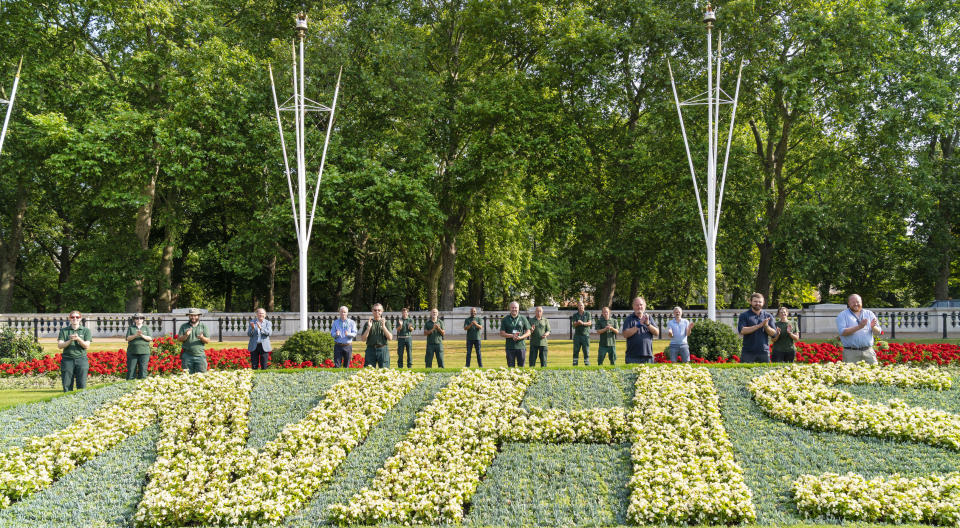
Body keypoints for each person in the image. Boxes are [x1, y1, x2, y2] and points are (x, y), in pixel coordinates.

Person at [836, 294, 882, 364]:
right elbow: (842, 332)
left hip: (868, 352)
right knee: (850, 374)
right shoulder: (842, 315)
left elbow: (878, 332)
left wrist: (873, 327)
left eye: (858, 302)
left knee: (873, 373)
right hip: (851, 353)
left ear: (861, 302)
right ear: (849, 303)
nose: (856, 304)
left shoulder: (869, 314)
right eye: (853, 302)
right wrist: (859, 327)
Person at [737, 293, 777, 363]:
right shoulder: (744, 315)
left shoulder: (768, 315)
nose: (757, 303)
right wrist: (758, 326)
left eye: (760, 302)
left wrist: (766, 326)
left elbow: (774, 334)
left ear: (763, 303)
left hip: (764, 351)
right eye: (755, 301)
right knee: (745, 373)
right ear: (750, 302)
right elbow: (742, 330)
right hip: (748, 352)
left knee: (765, 373)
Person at [58, 310, 91, 391]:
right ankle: (67, 402)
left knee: (82, 384)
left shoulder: (86, 330)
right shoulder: (64, 331)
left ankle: (81, 402)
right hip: (67, 359)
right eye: (72, 317)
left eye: (77, 317)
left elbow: (86, 346)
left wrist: (78, 339)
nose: (75, 319)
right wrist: (70, 340)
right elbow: (60, 345)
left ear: (80, 318)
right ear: (69, 318)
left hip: (81, 359)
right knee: (67, 385)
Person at [621, 297, 659, 364]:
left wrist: (648, 324)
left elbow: (657, 333)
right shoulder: (629, 319)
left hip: (648, 356)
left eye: (641, 305)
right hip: (632, 357)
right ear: (633, 306)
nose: (639, 307)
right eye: (637, 305)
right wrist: (639, 324)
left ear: (644, 306)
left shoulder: (649, 318)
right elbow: (625, 334)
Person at [177, 308, 210, 374]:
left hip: (200, 355)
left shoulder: (203, 326)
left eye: (195, 315)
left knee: (202, 376)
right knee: (187, 376)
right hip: (187, 355)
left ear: (198, 316)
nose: (193, 317)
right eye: (191, 315)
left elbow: (207, 341)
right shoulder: (184, 326)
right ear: (189, 316)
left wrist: (202, 337)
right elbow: (179, 339)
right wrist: (186, 335)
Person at [499, 301, 530, 367]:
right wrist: (512, 336)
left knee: (521, 367)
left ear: (518, 308)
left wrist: (520, 337)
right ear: (510, 308)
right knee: (511, 368)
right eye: (512, 307)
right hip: (510, 347)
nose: (514, 309)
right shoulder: (505, 319)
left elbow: (528, 332)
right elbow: (502, 333)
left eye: (515, 307)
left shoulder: (523, 318)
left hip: (521, 346)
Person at [362, 303, 393, 368]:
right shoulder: (368, 323)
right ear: (372, 311)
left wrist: (384, 326)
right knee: (368, 371)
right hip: (370, 349)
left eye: (379, 310)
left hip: (383, 349)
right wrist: (368, 328)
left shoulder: (387, 322)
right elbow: (363, 339)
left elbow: (390, 338)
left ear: (382, 311)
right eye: (375, 310)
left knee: (385, 371)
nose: (377, 312)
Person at [125, 313, 152, 380]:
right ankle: (129, 384)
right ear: (134, 320)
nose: (139, 319)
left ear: (143, 319)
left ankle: (142, 385)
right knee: (131, 370)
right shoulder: (131, 328)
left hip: (144, 352)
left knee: (143, 370)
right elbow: (127, 338)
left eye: (141, 318)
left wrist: (142, 335)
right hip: (132, 352)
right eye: (137, 318)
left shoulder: (146, 328)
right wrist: (136, 335)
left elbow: (150, 338)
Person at [570, 301, 592, 365]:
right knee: (576, 351)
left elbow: (590, 323)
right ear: (577, 307)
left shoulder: (588, 314)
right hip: (577, 336)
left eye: (582, 305)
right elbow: (574, 325)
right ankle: (575, 364)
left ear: (584, 306)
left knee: (586, 351)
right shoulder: (575, 315)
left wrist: (582, 323)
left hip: (585, 335)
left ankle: (587, 364)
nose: (581, 307)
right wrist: (577, 323)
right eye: (579, 306)